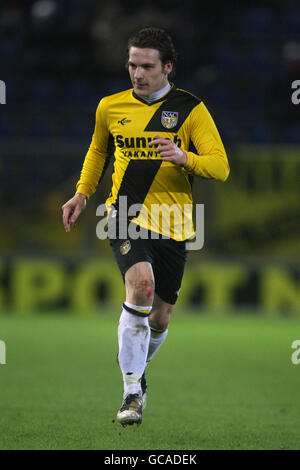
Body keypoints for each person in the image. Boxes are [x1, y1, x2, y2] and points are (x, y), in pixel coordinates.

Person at [62, 27, 229, 427]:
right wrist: (83, 193)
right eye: (132, 65)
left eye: (147, 66)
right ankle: (132, 391)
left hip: (174, 223)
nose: (137, 73)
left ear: (167, 67)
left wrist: (183, 157)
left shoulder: (190, 109)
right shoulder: (110, 107)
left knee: (160, 318)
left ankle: (133, 363)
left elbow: (220, 167)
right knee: (141, 287)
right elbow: (98, 148)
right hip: (123, 214)